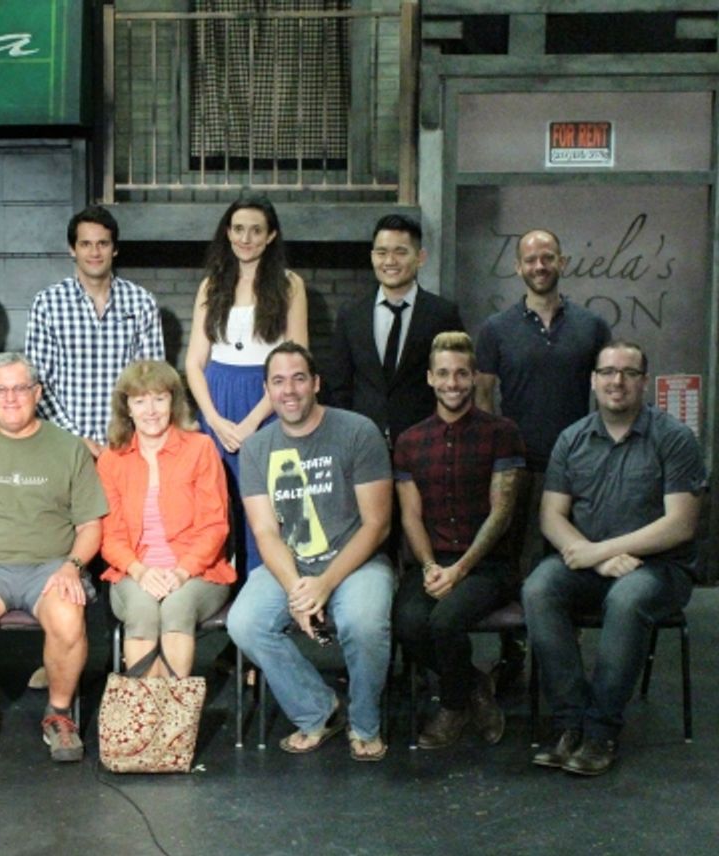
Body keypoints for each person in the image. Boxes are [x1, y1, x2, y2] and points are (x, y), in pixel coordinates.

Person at [524, 341, 706, 777]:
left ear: (644, 381)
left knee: (627, 600)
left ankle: (601, 728)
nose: (616, 381)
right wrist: (596, 561)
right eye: (607, 372)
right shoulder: (573, 438)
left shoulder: (674, 438)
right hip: (591, 563)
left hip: (660, 568)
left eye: (628, 372)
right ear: (593, 381)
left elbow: (681, 524)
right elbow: (551, 516)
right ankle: (569, 722)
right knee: (538, 588)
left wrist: (599, 552)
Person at [227, 343, 394, 761]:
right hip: (294, 565)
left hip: (356, 563)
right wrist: (297, 590)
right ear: (267, 389)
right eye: (278, 381)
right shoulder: (256, 448)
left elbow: (378, 524)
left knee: (364, 621)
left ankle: (365, 723)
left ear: (316, 383)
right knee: (245, 622)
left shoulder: (358, 431)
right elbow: (265, 531)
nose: (290, 390)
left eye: (299, 378)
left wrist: (324, 583)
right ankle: (319, 710)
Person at [0, 353, 108, 763]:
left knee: (68, 616)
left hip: (51, 566)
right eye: (0, 389)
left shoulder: (69, 448)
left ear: (37, 392)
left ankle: (60, 714)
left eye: (20, 388)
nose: (11, 398)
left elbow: (91, 526)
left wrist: (72, 566)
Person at [475, 228, 611, 689]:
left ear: (562, 262)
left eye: (547, 257)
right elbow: (483, 396)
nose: (539, 266)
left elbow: (609, 393)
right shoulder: (496, 329)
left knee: (570, 563)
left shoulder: (592, 326)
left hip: (578, 471)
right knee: (514, 564)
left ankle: (560, 663)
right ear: (518, 268)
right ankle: (513, 655)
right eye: (530, 259)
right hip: (519, 467)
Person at [392, 333, 526, 749]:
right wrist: (431, 566)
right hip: (434, 561)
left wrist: (459, 570)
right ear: (431, 378)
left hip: (488, 565)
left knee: (445, 620)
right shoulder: (411, 441)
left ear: (474, 378)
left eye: (462, 374)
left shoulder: (502, 433)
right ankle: (475, 685)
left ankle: (452, 707)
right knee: (407, 621)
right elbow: (411, 515)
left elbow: (501, 513)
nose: (453, 383)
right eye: (445, 374)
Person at [184, 195, 308, 577]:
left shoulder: (289, 285)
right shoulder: (211, 285)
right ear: (228, 232)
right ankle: (224, 605)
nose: (246, 238)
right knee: (220, 506)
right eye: (238, 229)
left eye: (256, 230)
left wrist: (253, 420)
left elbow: (297, 358)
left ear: (270, 236)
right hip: (218, 402)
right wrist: (214, 419)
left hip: (267, 403)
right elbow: (194, 361)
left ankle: (262, 604)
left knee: (266, 508)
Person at [97, 360, 235, 677]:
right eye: (140, 400)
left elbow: (214, 527)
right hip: (134, 572)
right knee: (143, 610)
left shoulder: (201, 449)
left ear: (173, 402)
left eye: (159, 398)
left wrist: (181, 573)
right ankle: (146, 719)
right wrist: (141, 571)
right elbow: (110, 536)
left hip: (197, 572)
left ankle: (174, 721)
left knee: (177, 607)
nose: (151, 410)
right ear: (126, 408)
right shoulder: (111, 460)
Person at [25, 205, 165, 459]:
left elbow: (151, 380)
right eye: (86, 244)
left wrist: (130, 434)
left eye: (102, 243)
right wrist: (75, 438)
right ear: (72, 249)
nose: (94, 252)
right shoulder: (47, 303)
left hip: (128, 445)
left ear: (115, 248)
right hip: (64, 446)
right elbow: (37, 382)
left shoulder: (142, 302)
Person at [327, 213, 463, 447]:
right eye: (381, 252)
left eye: (400, 252)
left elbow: (456, 381)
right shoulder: (351, 314)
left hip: (427, 445)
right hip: (362, 445)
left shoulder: (443, 314)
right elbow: (339, 385)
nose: (389, 261)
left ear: (420, 257)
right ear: (372, 257)